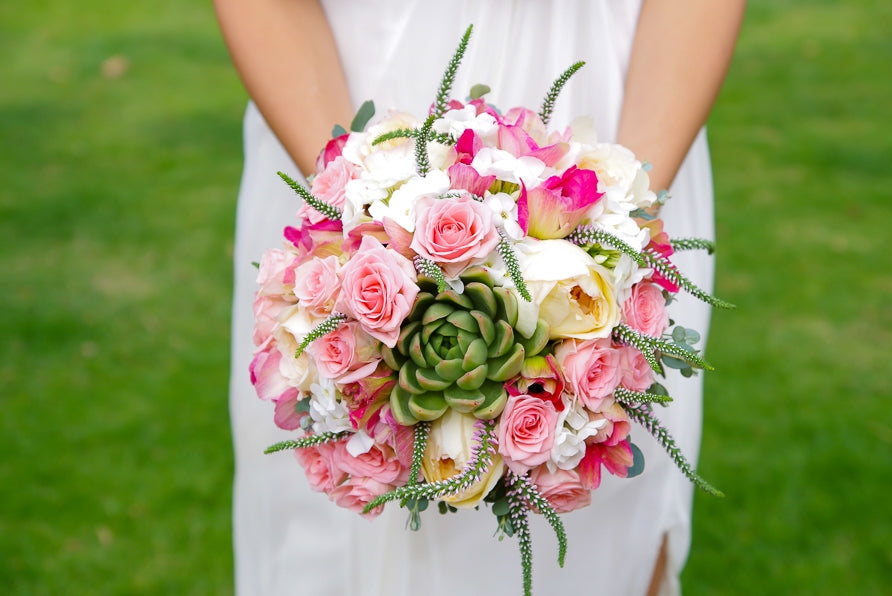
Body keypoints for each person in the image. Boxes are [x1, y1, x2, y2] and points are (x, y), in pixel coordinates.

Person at [214, 1, 745, 594]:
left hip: (623, 109)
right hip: (341, 103)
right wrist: (361, 205)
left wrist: (618, 225)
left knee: (601, 538)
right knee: (326, 537)